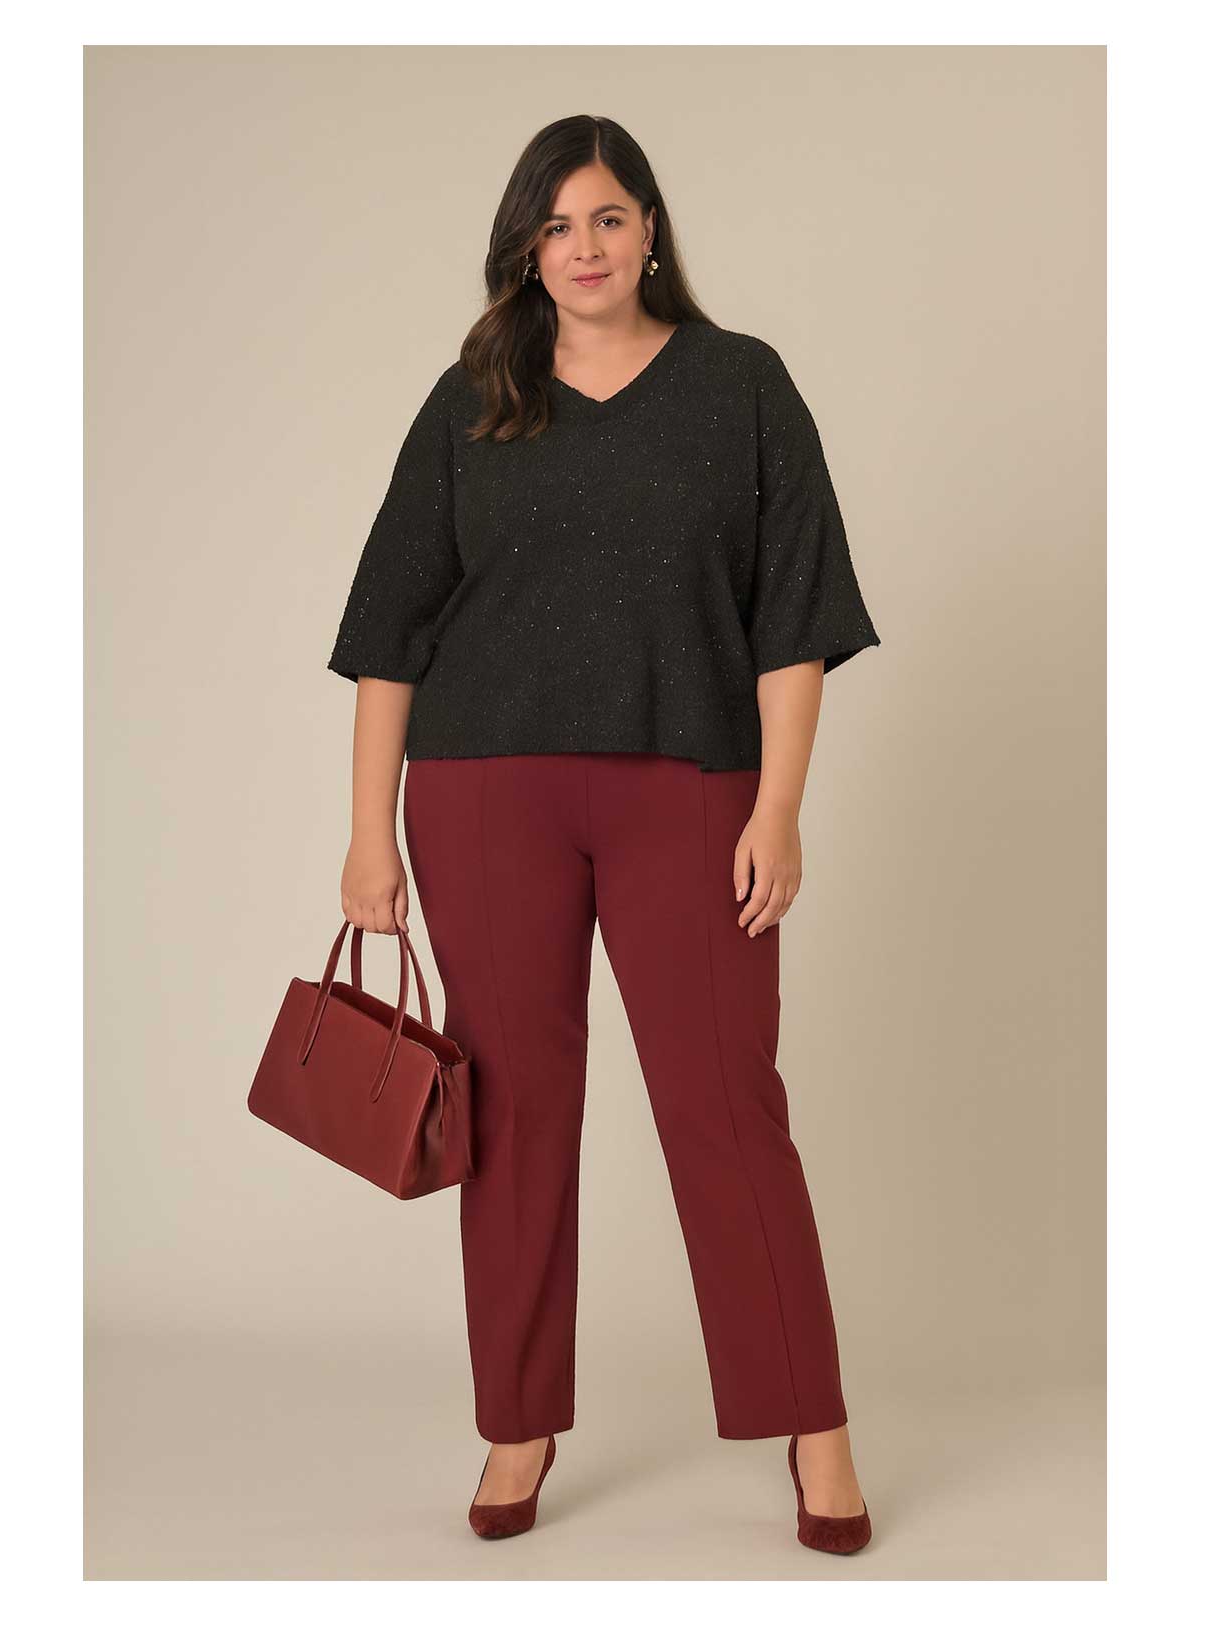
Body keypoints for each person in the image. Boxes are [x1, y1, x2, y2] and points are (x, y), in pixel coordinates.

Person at [326, 115, 880, 1556]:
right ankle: (518, 1418)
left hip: (687, 787)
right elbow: (390, 629)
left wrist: (778, 806)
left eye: (609, 218)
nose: (584, 247)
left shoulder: (741, 386)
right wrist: (368, 835)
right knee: (513, 1114)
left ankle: (813, 1422)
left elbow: (796, 615)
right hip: (482, 792)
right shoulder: (473, 401)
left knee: (726, 1102)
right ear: (526, 248)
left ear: (650, 231)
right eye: (557, 225)